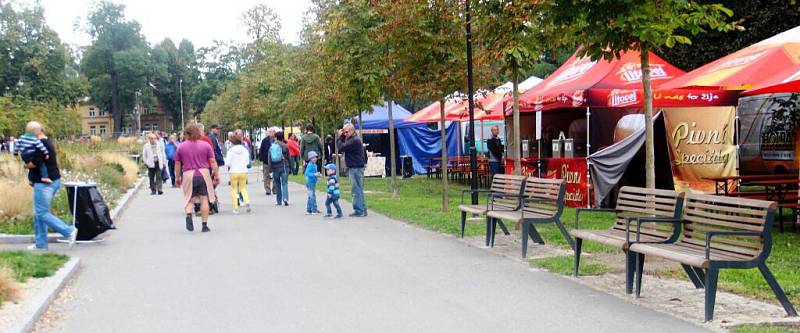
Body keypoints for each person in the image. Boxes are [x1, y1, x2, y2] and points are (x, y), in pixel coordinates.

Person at [24, 121, 77, 250]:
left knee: (41, 213)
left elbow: (35, 162)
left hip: (45, 184)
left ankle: (68, 231)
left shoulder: (40, 144)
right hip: (52, 180)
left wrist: (26, 165)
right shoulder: (46, 141)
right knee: (40, 213)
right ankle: (41, 244)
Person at [174, 123, 219, 232]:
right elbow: (212, 161)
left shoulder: (181, 146)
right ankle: (204, 225)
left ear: (187, 134)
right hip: (203, 174)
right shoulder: (205, 145)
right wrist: (216, 175)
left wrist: (177, 177)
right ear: (198, 133)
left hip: (188, 174)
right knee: (204, 198)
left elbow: (177, 163)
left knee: (190, 198)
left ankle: (189, 213)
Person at [338, 124, 367, 217]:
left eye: (346, 132)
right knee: (358, 189)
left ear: (352, 131)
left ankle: (359, 210)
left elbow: (342, 147)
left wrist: (339, 138)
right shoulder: (353, 140)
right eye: (344, 132)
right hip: (355, 166)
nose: (345, 134)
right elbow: (344, 145)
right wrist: (342, 137)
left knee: (356, 189)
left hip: (355, 167)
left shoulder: (354, 141)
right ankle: (362, 209)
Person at [225, 133, 251, 214]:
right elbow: (247, 162)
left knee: (234, 189)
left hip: (233, 172)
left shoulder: (231, 150)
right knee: (243, 188)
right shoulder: (245, 150)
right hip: (243, 171)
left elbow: (228, 163)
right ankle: (247, 202)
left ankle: (235, 208)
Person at [269, 131, 291, 206]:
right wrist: (290, 167)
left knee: (277, 184)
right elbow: (289, 157)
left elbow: (270, 159)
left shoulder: (272, 146)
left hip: (275, 168)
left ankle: (279, 201)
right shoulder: (285, 146)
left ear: (276, 137)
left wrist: (270, 169)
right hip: (284, 166)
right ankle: (285, 198)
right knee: (284, 183)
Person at [258, 128, 276, 195]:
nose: (271, 133)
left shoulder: (276, 140)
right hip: (266, 160)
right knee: (266, 175)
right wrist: (261, 159)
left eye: (273, 131)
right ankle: (267, 189)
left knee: (275, 175)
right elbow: (261, 150)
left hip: (275, 160)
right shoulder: (264, 140)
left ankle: (275, 189)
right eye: (270, 132)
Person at [304, 151, 321, 215]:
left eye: (315, 157)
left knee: (310, 196)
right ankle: (314, 210)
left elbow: (315, 173)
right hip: (310, 182)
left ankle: (309, 210)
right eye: (313, 158)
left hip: (313, 182)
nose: (315, 158)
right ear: (310, 159)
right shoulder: (310, 165)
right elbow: (307, 173)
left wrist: (318, 174)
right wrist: (314, 174)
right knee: (312, 196)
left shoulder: (314, 165)